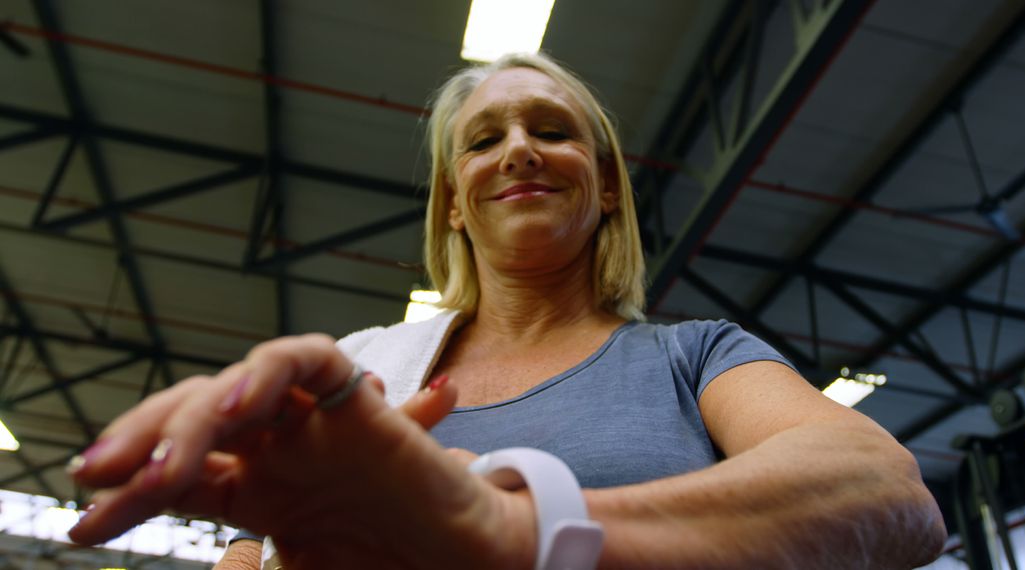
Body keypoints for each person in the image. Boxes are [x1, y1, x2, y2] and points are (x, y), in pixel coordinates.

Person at [66, 53, 946, 569]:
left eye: (552, 131)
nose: (519, 149)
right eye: (484, 142)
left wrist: (512, 530)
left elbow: (886, 491)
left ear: (605, 188)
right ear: (455, 204)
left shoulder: (697, 355)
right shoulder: (366, 371)